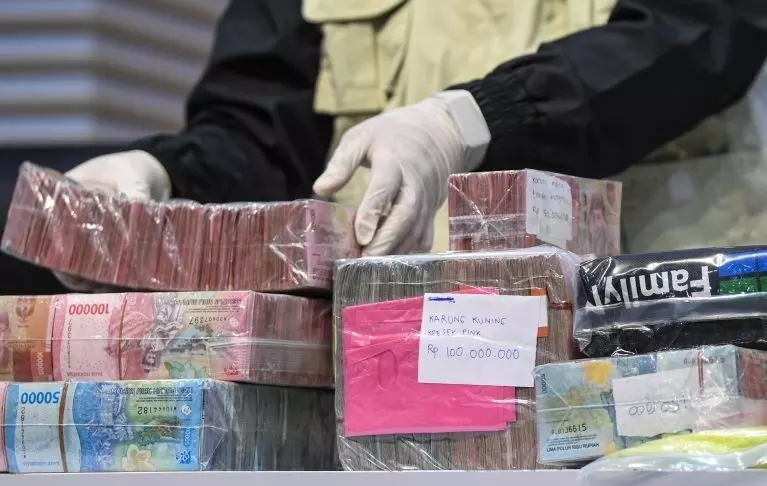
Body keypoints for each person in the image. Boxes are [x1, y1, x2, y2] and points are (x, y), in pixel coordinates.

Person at [56, 0, 767, 290]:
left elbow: (698, 34)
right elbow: (264, 130)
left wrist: (465, 121)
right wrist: (165, 173)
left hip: (655, 342)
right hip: (385, 361)